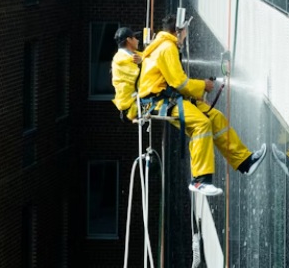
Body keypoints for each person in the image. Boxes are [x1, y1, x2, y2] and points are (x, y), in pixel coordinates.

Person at [137, 14, 266, 196]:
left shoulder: (164, 45)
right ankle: (199, 181)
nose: (186, 37)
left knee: (215, 117)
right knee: (201, 124)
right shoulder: (167, 48)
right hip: (158, 102)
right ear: (178, 31)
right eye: (185, 33)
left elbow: (174, 83)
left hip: (167, 98)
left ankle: (245, 162)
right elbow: (179, 82)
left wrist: (198, 94)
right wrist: (202, 86)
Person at [111, 27, 143, 121]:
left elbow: (147, 57)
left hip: (137, 102)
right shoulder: (121, 59)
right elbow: (140, 78)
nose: (138, 40)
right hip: (132, 107)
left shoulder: (132, 55)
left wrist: (143, 60)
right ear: (129, 40)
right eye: (135, 37)